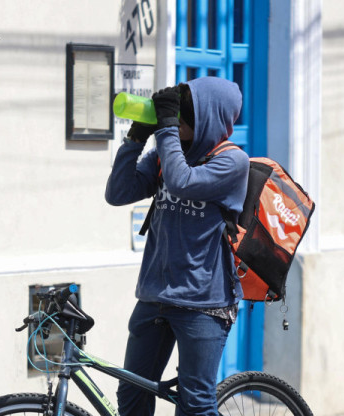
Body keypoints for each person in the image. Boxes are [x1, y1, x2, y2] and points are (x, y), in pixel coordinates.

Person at [105, 76, 249, 416]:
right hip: (155, 295)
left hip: (203, 303)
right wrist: (135, 138)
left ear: (209, 117)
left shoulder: (231, 162)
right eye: (175, 112)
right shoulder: (168, 154)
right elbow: (118, 193)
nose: (176, 120)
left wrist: (167, 130)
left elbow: (182, 181)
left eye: (184, 113)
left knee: (195, 404)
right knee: (132, 394)